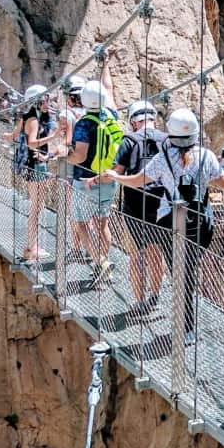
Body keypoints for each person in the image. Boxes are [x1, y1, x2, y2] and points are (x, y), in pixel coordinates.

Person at [96, 108, 224, 345]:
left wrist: (115, 176)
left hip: (169, 223)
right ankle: (187, 324)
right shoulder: (206, 156)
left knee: (180, 273)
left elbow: (136, 181)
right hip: (201, 223)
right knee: (187, 271)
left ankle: (186, 327)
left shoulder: (163, 158)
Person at [63, 78, 123, 286]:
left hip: (85, 181)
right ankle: (104, 264)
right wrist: (106, 65)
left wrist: (65, 156)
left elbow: (79, 156)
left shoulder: (84, 123)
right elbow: (109, 88)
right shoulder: (111, 116)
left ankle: (100, 263)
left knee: (81, 223)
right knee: (102, 223)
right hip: (108, 178)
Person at [112, 100, 167, 312]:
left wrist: (100, 177)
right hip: (162, 205)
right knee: (156, 252)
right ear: (154, 119)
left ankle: (138, 301)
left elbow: (118, 171)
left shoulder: (129, 140)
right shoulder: (168, 141)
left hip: (134, 206)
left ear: (134, 122)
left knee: (136, 256)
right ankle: (155, 296)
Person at [11, 84, 57, 260]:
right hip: (35, 166)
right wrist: (52, 137)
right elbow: (32, 143)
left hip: (35, 165)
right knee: (36, 207)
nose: (48, 102)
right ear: (37, 100)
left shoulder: (29, 117)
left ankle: (32, 246)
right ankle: (32, 247)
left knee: (37, 206)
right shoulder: (33, 120)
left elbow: (16, 135)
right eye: (45, 99)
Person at [58, 74, 91, 263]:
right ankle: (93, 250)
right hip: (93, 167)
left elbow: (68, 140)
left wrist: (57, 152)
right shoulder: (93, 112)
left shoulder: (67, 114)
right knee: (92, 212)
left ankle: (78, 247)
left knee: (75, 211)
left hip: (74, 167)